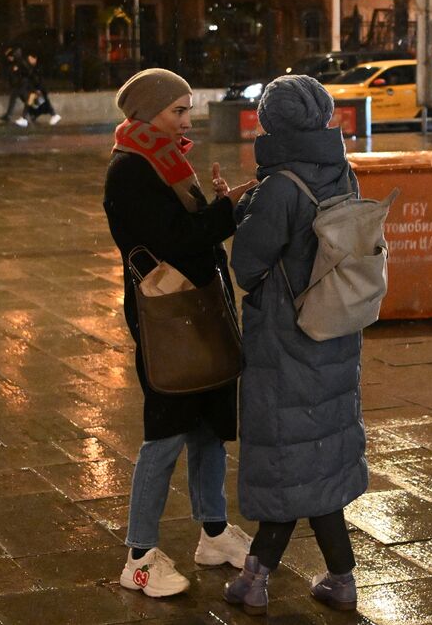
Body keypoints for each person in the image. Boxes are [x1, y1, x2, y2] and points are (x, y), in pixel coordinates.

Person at [103, 68, 258, 599]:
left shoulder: (167, 160)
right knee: (166, 431)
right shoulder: (131, 170)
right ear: (147, 113)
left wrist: (219, 206)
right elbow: (177, 238)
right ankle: (139, 557)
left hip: (199, 306)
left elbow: (193, 229)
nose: (186, 120)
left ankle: (213, 533)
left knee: (210, 424)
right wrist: (226, 213)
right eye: (178, 111)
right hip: (166, 317)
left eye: (187, 109)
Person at [224, 75, 367, 615]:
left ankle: (255, 579)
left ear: (271, 125)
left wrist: (249, 213)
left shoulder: (281, 185)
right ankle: (341, 579)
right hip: (335, 331)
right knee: (320, 458)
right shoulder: (341, 172)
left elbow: (248, 266)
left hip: (286, 340)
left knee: (289, 460)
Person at [13, 52, 62, 127]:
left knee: (34, 99)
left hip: (36, 87)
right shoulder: (31, 66)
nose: (31, 60)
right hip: (35, 87)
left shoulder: (35, 67)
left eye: (31, 59)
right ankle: (53, 114)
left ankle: (24, 118)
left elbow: (35, 77)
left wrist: (38, 87)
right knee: (39, 101)